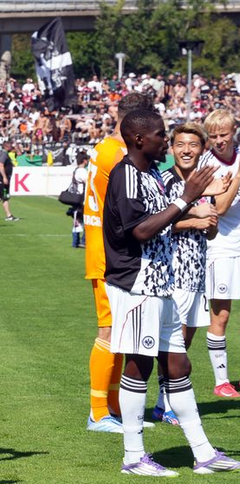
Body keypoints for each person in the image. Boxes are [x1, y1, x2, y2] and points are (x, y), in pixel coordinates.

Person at [103, 106, 237, 476]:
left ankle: (203, 452)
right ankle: (133, 456)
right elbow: (140, 230)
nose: (166, 141)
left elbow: (166, 216)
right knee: (139, 364)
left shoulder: (149, 176)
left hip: (162, 282)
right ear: (139, 139)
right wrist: (186, 199)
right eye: (162, 135)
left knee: (178, 364)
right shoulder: (127, 175)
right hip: (136, 283)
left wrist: (194, 196)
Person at [83, 92, 152, 433]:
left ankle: (111, 406)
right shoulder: (117, 156)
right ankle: (97, 411)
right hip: (108, 255)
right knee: (109, 331)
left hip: (103, 250)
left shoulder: (103, 149)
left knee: (120, 331)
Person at [152, 122, 220, 424]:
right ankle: (168, 404)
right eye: (180, 144)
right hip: (171, 272)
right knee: (173, 342)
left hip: (197, 273)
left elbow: (210, 233)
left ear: (202, 149)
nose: (186, 150)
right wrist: (194, 220)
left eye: (193, 144)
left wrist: (211, 226)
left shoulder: (206, 184)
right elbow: (155, 225)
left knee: (185, 341)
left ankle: (160, 401)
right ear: (171, 147)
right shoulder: (163, 181)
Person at [198, 110, 240, 398]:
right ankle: (221, 381)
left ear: (234, 130)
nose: (218, 141)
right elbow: (221, 207)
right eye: (213, 136)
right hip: (220, 246)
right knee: (221, 314)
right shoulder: (207, 163)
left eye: (223, 134)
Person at [70, 150, 89, 249]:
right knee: (85, 220)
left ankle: (76, 242)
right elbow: (88, 182)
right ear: (84, 161)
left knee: (77, 220)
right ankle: (82, 241)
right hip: (81, 199)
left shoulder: (76, 170)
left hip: (76, 198)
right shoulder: (82, 171)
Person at [0, 141, 19, 222]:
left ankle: (9, 215)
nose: (11, 147)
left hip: (3, 178)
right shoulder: (4, 154)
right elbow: (0, 165)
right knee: (3, 195)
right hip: (2, 178)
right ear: (6, 146)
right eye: (10, 145)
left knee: (4, 196)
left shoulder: (3, 153)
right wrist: (4, 177)